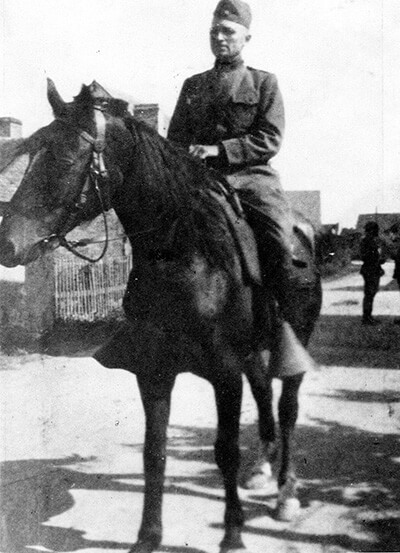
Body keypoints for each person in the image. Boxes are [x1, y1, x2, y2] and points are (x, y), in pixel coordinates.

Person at [167, 0, 314, 375]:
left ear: (246, 37)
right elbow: (175, 139)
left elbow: (270, 138)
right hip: (200, 179)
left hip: (252, 179)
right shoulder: (193, 85)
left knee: (279, 239)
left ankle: (280, 328)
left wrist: (222, 150)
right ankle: (152, 323)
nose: (220, 37)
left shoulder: (263, 83)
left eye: (228, 31)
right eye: (214, 30)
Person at [360, 221, 385, 325]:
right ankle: (366, 318)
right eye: (376, 230)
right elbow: (365, 257)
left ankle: (368, 316)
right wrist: (377, 260)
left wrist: (379, 259)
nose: (377, 232)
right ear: (371, 230)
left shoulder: (370, 240)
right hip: (370, 270)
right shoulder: (367, 241)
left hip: (372, 270)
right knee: (369, 294)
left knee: (371, 294)